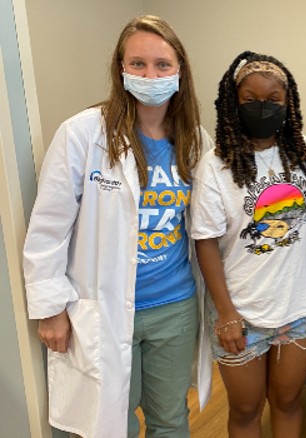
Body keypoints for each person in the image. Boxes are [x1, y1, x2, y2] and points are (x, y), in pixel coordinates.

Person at [23, 15, 213, 438]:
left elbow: (213, 217)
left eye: (162, 65)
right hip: (104, 307)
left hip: (174, 307)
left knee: (170, 419)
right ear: (120, 69)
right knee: (111, 424)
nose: (151, 75)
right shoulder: (82, 134)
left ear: (180, 71)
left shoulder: (195, 140)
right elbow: (49, 227)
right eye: (138, 64)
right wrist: (51, 308)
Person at [190, 51, 306, 437]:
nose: (263, 108)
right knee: (246, 409)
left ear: (289, 104)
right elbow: (205, 243)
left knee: (288, 402)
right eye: (250, 100)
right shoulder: (214, 167)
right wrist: (227, 313)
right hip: (240, 311)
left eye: (274, 100)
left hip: (296, 306)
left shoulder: (304, 153)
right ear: (234, 104)